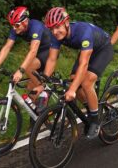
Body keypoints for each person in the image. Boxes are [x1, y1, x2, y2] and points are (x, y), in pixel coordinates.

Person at [34, 7, 113, 139]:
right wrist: (44, 82)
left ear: (66, 22)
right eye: (51, 29)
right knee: (73, 79)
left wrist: (72, 90)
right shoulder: (56, 36)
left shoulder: (83, 32)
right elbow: (52, 59)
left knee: (86, 82)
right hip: (86, 50)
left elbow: (84, 64)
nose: (55, 32)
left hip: (103, 49)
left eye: (57, 27)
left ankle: (95, 119)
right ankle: (91, 107)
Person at [0, 6, 51, 111]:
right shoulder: (16, 29)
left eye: (16, 25)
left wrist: (21, 71)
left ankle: (44, 90)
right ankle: (40, 119)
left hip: (49, 51)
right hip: (38, 53)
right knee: (31, 91)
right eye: (12, 25)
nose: (14, 28)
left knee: (29, 68)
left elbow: (33, 51)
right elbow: (7, 47)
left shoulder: (36, 26)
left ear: (25, 21)